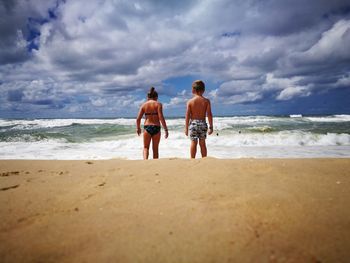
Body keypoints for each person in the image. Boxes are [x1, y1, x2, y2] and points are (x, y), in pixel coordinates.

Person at [136, 87, 168, 159]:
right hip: (156, 127)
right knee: (155, 149)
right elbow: (161, 117)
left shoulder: (144, 105)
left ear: (148, 97)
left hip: (147, 127)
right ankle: (154, 165)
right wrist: (166, 129)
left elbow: (138, 119)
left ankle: (145, 162)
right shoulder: (158, 104)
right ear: (156, 97)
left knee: (146, 147)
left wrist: (138, 128)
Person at [185, 80, 213, 158]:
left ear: (193, 90)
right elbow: (209, 114)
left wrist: (186, 128)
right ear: (203, 90)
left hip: (193, 124)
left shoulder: (190, 102)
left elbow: (187, 116)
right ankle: (204, 159)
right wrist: (211, 126)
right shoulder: (206, 101)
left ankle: (192, 159)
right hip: (202, 123)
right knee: (202, 143)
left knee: (193, 143)